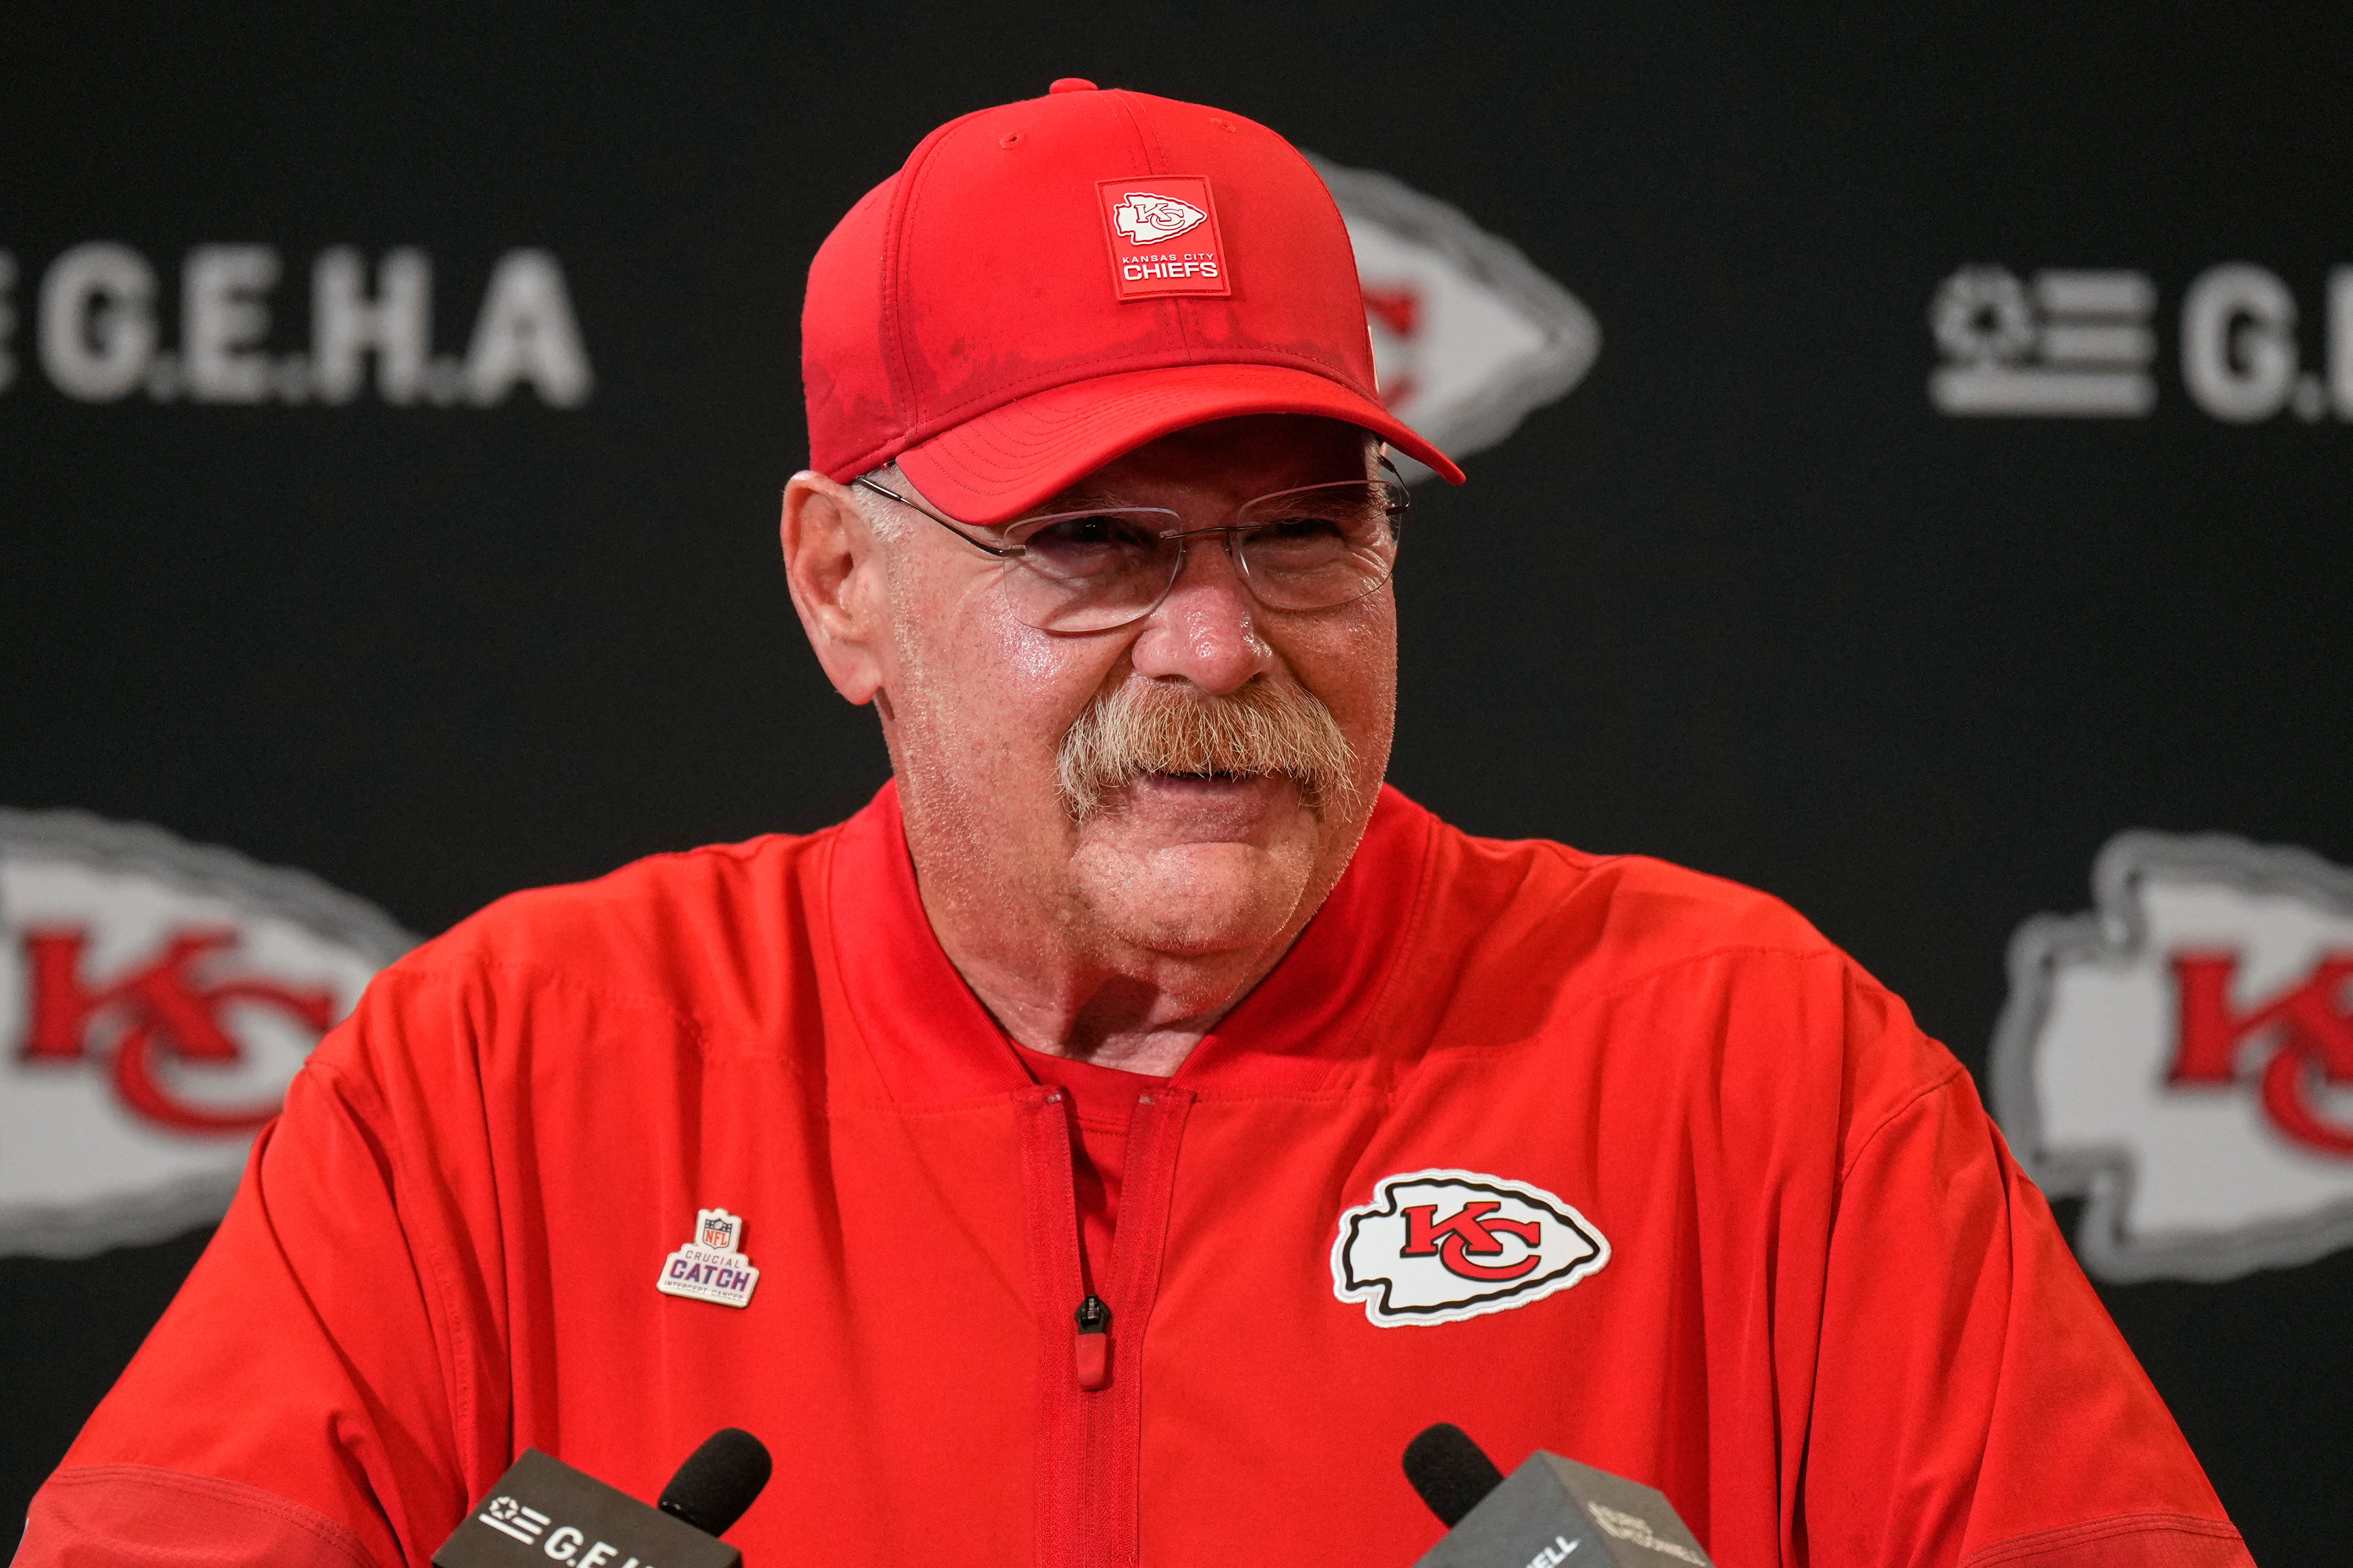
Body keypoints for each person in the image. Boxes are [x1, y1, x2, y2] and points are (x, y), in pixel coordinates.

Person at [18, 82, 2249, 1568]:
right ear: (839, 586)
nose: (1217, 643)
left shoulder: (1755, 1068)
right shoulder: (505, 1074)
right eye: (1092, 541)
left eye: (1303, 535)